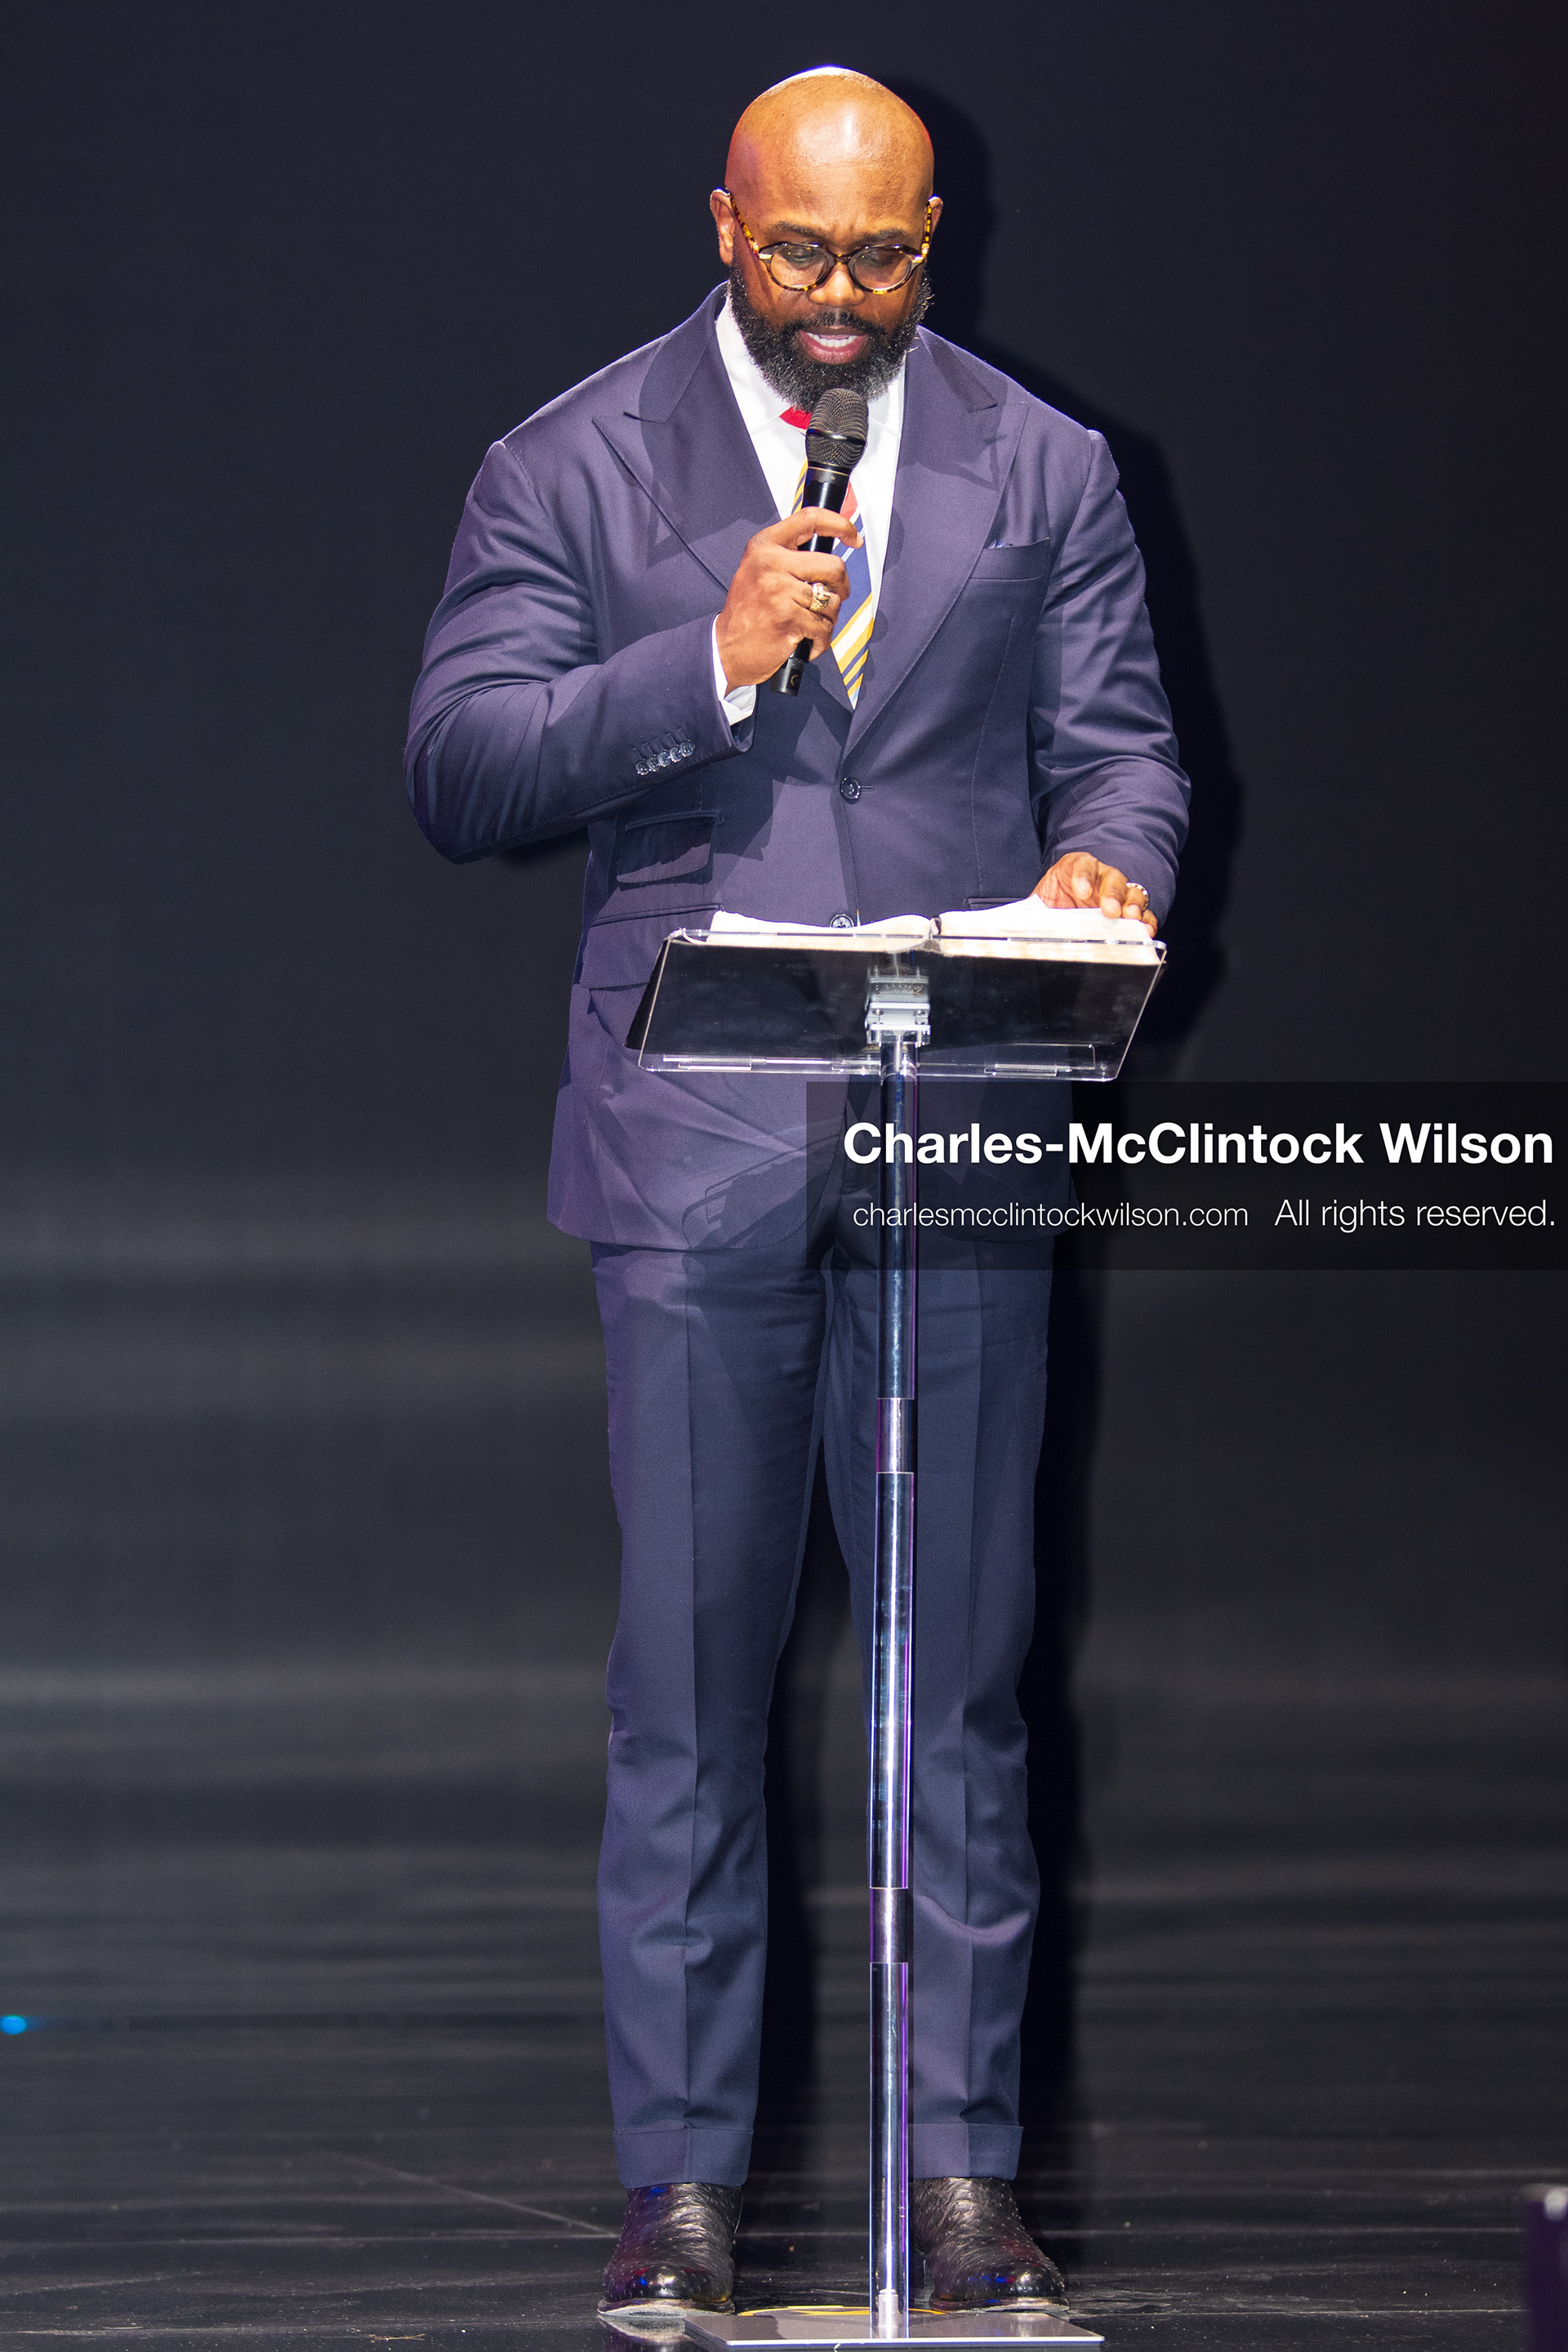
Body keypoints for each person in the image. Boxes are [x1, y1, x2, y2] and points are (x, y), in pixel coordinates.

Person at [406, 68, 1187, 2316]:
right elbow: (460, 767)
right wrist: (711, 658)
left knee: (962, 1686)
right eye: (800, 256)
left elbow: (1122, 740)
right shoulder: (570, 461)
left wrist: (1112, 850)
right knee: (692, 1690)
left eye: (887, 258)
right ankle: (682, 2190)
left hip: (959, 1132)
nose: (843, 306)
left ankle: (964, 2185)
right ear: (723, 224)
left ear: (937, 234)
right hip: (698, 1154)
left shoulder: (1043, 463)